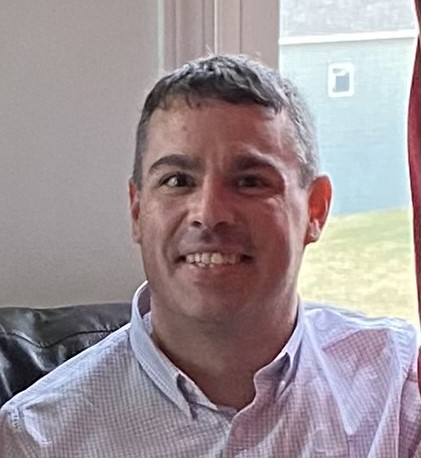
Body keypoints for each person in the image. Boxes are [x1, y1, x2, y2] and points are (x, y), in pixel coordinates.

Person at [1, 54, 420, 458]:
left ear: (315, 210)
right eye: (177, 180)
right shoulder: (37, 440)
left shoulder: (400, 386)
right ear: (137, 210)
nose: (210, 213)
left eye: (250, 181)